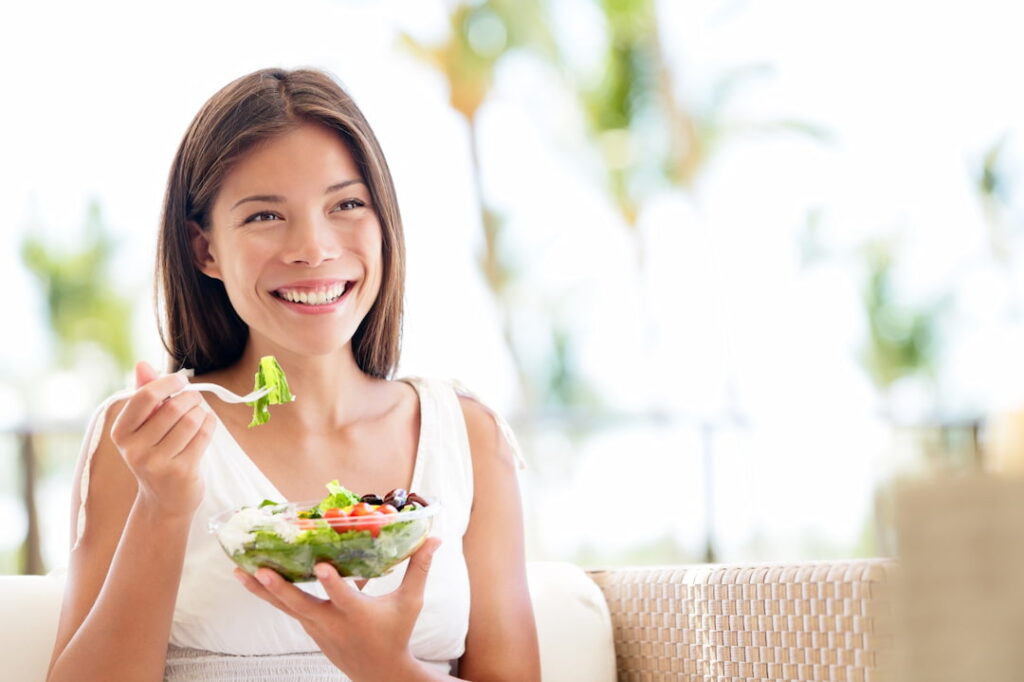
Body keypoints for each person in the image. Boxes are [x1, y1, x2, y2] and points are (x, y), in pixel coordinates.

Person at [47, 67, 541, 681]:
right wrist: (162, 507)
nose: (313, 247)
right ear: (205, 251)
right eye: (264, 217)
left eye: (347, 205)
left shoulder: (467, 435)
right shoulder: (146, 439)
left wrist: (386, 668)